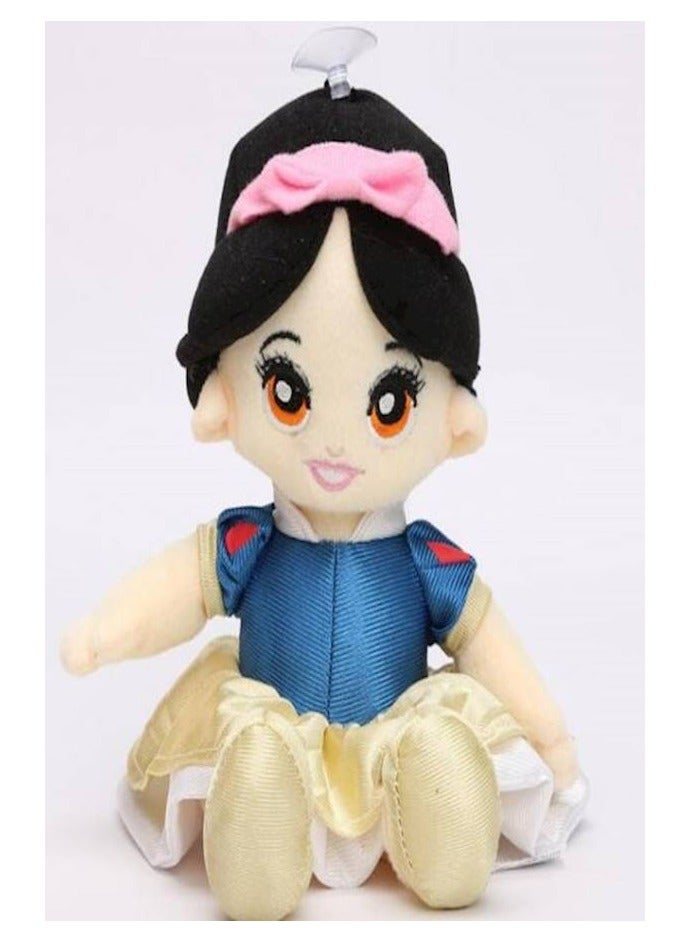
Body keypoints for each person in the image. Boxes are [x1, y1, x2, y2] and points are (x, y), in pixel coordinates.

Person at [61, 81, 587, 921]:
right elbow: (174, 593)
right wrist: (102, 633)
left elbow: (485, 644)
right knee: (257, 750)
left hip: (396, 733)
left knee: (434, 745)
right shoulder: (245, 546)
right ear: (224, 394)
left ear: (453, 416)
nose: (338, 446)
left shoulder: (426, 562)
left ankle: (440, 821)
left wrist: (549, 739)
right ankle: (259, 829)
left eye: (391, 402)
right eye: (286, 390)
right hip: (266, 726)